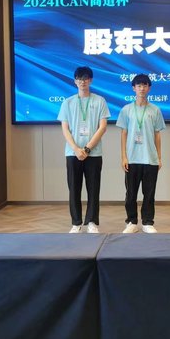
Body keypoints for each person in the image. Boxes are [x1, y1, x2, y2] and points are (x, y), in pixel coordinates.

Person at [57, 66, 110, 233]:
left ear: (91, 80)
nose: (82, 81)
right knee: (74, 188)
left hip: (93, 153)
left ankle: (92, 222)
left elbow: (102, 127)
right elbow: (65, 129)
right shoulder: (68, 102)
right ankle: (76, 223)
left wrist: (86, 149)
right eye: (79, 79)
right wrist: (76, 149)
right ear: (75, 81)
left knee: (93, 189)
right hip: (72, 153)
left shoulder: (99, 101)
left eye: (86, 78)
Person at [116, 74, 166, 233]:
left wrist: (159, 157)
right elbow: (124, 133)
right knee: (131, 193)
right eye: (139, 86)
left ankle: (147, 222)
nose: (142, 89)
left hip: (150, 158)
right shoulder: (126, 110)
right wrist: (124, 156)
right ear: (133, 88)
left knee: (149, 193)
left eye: (145, 85)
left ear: (149, 88)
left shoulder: (155, 110)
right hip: (132, 158)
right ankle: (131, 222)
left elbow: (157, 135)